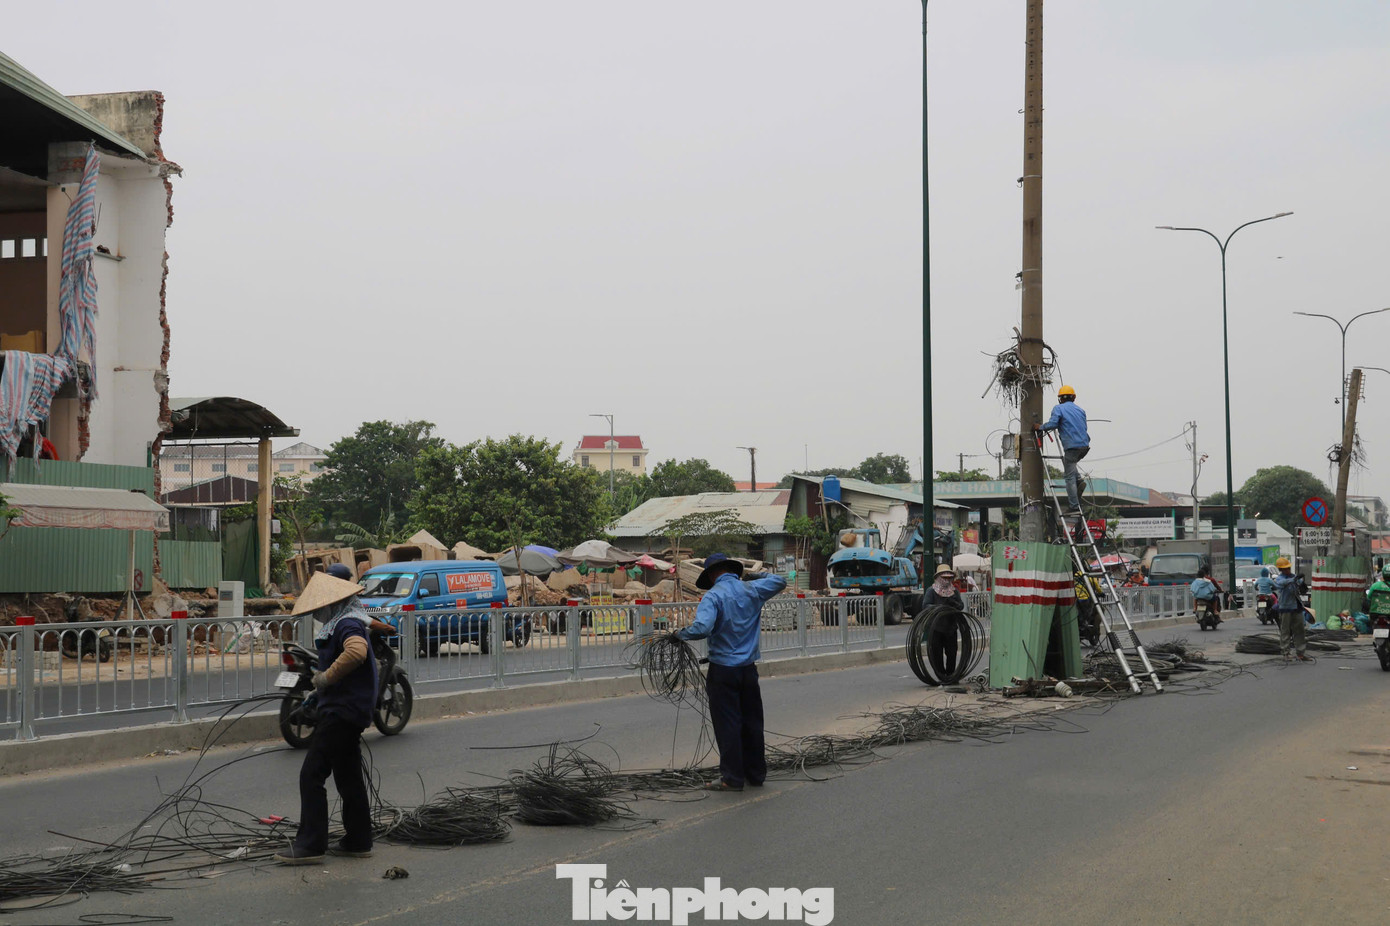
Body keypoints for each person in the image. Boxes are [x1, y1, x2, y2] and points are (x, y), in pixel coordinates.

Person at [275, 572, 379, 865]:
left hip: (343, 712)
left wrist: (324, 679)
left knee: (312, 774)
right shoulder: (346, 621)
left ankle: (311, 844)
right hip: (347, 708)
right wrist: (318, 693)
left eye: (321, 609)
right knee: (348, 776)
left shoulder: (346, 623)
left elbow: (356, 652)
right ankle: (359, 840)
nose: (319, 614)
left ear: (333, 604)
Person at [677, 553, 786, 792]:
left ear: (712, 574)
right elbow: (780, 581)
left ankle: (732, 778)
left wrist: (679, 634)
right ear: (731, 570)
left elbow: (703, 628)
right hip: (748, 670)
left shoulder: (713, 596)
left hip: (723, 671)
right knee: (752, 722)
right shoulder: (752, 589)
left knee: (728, 724)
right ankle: (756, 774)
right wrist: (755, 574)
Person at [1035, 385, 1090, 513]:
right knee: (1069, 463)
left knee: (1069, 477)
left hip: (1072, 447)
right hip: (1084, 446)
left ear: (1060, 399)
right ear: (1074, 397)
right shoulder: (1081, 410)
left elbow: (1053, 423)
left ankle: (1074, 506)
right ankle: (1079, 480)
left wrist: (1040, 427)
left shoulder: (1058, 408)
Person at [922, 564, 965, 676]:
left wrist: (953, 603)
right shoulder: (931, 591)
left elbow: (960, 606)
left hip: (951, 627)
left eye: (948, 578)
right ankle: (941, 674)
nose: (946, 580)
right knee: (937, 652)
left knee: (951, 652)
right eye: (944, 578)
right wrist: (939, 608)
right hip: (936, 628)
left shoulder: (954, 592)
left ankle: (950, 675)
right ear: (938, 577)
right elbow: (925, 605)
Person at [1273, 557, 1309, 662]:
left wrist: (1301, 583)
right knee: (1285, 631)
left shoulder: (1294, 577)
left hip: (1296, 607)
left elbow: (1300, 587)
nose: (1287, 570)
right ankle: (1286, 653)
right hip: (1285, 608)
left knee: (1300, 631)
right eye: (1285, 568)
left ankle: (1301, 653)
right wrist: (1294, 579)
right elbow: (1280, 584)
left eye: (1288, 568)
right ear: (1281, 570)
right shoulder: (1280, 579)